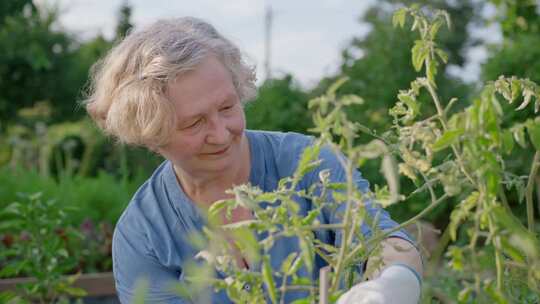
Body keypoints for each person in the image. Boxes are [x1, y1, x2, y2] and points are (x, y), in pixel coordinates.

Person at [84, 17, 423, 304]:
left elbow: (386, 242)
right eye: (194, 123)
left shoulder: (307, 164)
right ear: (151, 134)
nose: (221, 133)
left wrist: (390, 285)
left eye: (228, 107)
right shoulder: (144, 234)